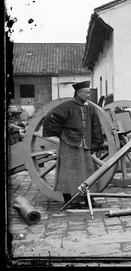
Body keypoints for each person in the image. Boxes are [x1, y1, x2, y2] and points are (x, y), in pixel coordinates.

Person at [42, 81, 104, 209]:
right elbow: (51, 118)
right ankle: (69, 202)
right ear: (79, 93)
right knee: (67, 173)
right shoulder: (66, 106)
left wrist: (96, 143)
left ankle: (89, 201)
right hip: (68, 145)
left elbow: (95, 126)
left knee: (88, 173)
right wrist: (62, 134)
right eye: (86, 93)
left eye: (89, 92)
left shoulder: (90, 108)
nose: (88, 95)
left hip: (84, 145)